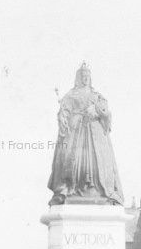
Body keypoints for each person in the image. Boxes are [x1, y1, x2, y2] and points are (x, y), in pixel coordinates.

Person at [48, 62, 124, 205]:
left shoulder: (97, 96)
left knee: (99, 161)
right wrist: (63, 117)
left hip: (94, 132)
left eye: (87, 76)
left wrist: (96, 109)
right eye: (83, 76)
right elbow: (63, 110)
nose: (85, 78)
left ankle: (96, 189)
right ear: (78, 77)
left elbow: (106, 112)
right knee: (70, 158)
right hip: (75, 130)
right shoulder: (70, 95)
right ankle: (69, 189)